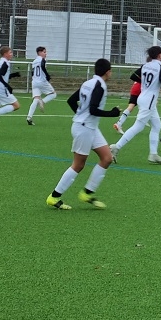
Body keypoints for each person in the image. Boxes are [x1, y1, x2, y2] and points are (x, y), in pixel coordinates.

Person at [46, 58, 122, 210]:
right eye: (111, 71)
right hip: (84, 129)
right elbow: (93, 109)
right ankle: (54, 197)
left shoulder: (88, 83)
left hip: (89, 127)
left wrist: (81, 116)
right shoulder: (100, 86)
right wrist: (112, 113)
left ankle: (87, 193)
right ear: (108, 72)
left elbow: (71, 101)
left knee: (107, 158)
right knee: (78, 165)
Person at [109, 46, 161, 165]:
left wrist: (146, 83)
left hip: (142, 97)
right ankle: (117, 147)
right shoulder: (160, 67)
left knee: (157, 125)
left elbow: (133, 76)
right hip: (149, 100)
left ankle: (153, 154)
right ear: (159, 55)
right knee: (138, 126)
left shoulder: (145, 66)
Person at [26, 46, 56, 125]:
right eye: (44, 52)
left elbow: (32, 72)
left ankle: (29, 117)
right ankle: (42, 101)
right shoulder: (42, 59)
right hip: (42, 81)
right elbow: (42, 66)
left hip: (34, 82)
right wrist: (47, 75)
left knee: (36, 99)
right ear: (39, 53)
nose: (46, 54)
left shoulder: (34, 61)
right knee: (53, 94)